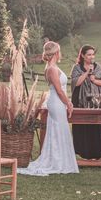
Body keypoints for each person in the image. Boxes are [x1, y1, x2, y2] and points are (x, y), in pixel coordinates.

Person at [19, 41, 78, 176]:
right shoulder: (51, 69)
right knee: (58, 130)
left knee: (59, 129)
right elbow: (59, 90)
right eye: (59, 51)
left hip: (58, 102)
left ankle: (60, 160)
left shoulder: (52, 67)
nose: (60, 53)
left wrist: (67, 103)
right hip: (56, 102)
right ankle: (56, 162)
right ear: (56, 53)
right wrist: (68, 103)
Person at [70, 45, 101, 159]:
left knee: (96, 127)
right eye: (89, 54)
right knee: (83, 127)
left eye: (93, 54)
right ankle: (83, 153)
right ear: (82, 55)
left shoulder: (98, 67)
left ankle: (98, 153)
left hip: (96, 103)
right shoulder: (77, 68)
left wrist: (95, 80)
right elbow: (76, 83)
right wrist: (87, 73)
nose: (92, 57)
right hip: (80, 103)